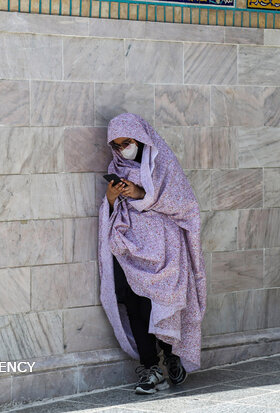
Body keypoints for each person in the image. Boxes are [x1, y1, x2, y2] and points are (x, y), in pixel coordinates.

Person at [97, 113, 207, 395]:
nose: (123, 150)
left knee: (164, 301)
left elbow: (184, 204)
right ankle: (150, 367)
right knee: (136, 305)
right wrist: (112, 199)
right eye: (118, 145)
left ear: (141, 139)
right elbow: (111, 212)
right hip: (130, 251)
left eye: (127, 143)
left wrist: (140, 193)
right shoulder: (116, 166)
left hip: (164, 252)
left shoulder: (163, 164)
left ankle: (171, 357)